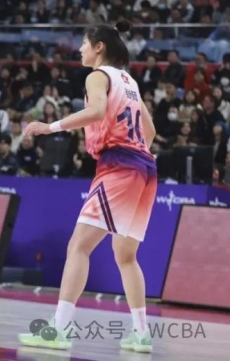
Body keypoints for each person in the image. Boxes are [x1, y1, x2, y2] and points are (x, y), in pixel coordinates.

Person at [18, 21, 157, 354]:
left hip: (119, 165)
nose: (80, 48)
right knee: (126, 255)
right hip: (144, 167)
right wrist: (133, 154)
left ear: (99, 46)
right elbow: (149, 131)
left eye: (83, 42)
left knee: (78, 246)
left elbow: (95, 111)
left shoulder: (98, 76)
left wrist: (50, 127)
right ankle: (141, 335)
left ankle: (58, 330)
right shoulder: (130, 82)